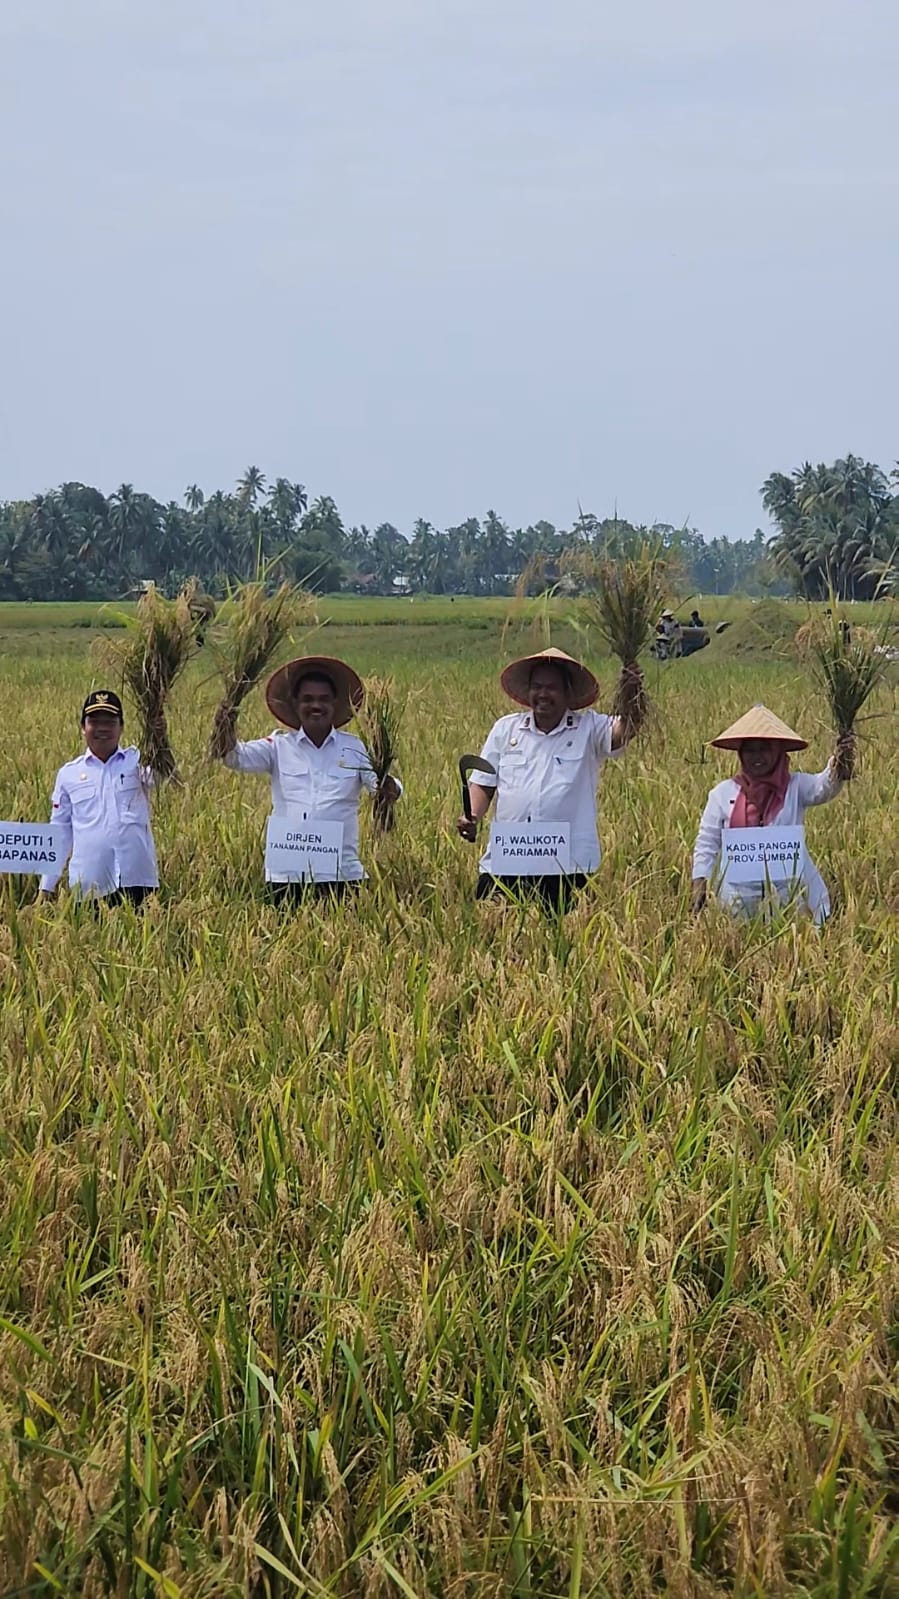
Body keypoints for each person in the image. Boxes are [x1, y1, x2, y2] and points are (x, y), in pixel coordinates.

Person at [456, 646, 641, 912]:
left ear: (568, 692)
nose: (543, 694)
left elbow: (627, 728)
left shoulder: (589, 728)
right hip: (508, 860)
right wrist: (472, 815)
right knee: (494, 937)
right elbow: (484, 782)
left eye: (552, 687)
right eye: (537, 686)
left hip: (568, 867)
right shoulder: (506, 728)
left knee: (566, 941)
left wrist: (631, 688)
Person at [215, 655, 400, 903]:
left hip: (341, 874)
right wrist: (226, 719)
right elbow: (233, 757)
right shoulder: (278, 746)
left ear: (334, 703)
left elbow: (380, 785)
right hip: (287, 876)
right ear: (295, 704)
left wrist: (389, 789)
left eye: (323, 699)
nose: (316, 706)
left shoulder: (354, 748)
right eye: (308, 699)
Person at [691, 703, 854, 925]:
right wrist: (699, 881)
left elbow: (824, 787)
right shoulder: (722, 794)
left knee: (797, 950)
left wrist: (840, 760)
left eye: (764, 748)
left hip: (792, 894)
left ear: (778, 751)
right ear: (740, 753)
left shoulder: (796, 786)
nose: (756, 756)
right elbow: (707, 842)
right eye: (750, 749)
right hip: (738, 898)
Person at [39, 690, 158, 908]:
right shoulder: (68, 774)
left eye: (110, 721)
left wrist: (157, 728)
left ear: (121, 727)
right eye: (94, 721)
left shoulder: (138, 764)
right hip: (90, 886)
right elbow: (60, 832)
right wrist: (47, 886)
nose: (102, 728)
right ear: (83, 727)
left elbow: (163, 774)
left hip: (138, 881)